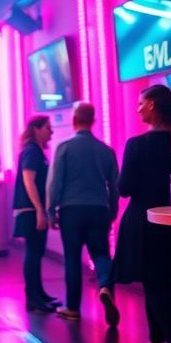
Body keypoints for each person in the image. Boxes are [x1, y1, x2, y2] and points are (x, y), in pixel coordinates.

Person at [113, 84, 171, 343]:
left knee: (156, 285)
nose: (137, 109)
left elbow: (124, 189)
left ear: (151, 106)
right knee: (159, 283)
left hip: (145, 224)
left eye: (140, 103)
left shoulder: (137, 145)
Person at [47, 103, 120, 325]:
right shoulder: (106, 150)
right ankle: (106, 286)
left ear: (74, 120)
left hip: (71, 211)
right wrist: (112, 211)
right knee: (101, 255)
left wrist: (51, 210)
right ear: (93, 121)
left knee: (72, 258)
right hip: (99, 209)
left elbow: (55, 183)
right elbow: (114, 186)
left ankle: (72, 308)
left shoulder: (65, 148)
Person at [13, 115, 59, 312]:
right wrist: (40, 209)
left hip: (34, 210)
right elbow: (28, 180)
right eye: (48, 127)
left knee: (37, 253)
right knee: (33, 253)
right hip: (31, 211)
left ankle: (38, 293)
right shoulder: (32, 152)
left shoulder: (36, 151)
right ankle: (33, 298)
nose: (51, 131)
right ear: (37, 129)